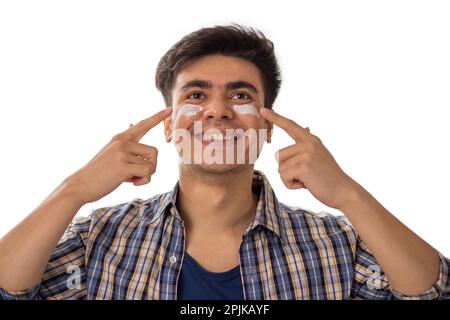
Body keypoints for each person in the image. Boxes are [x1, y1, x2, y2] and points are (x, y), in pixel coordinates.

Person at [0, 25, 448, 300]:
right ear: (170, 125)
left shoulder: (335, 243)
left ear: (267, 127)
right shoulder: (101, 236)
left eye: (240, 95)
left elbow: (430, 291)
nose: (217, 111)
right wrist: (73, 189)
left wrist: (348, 192)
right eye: (195, 95)